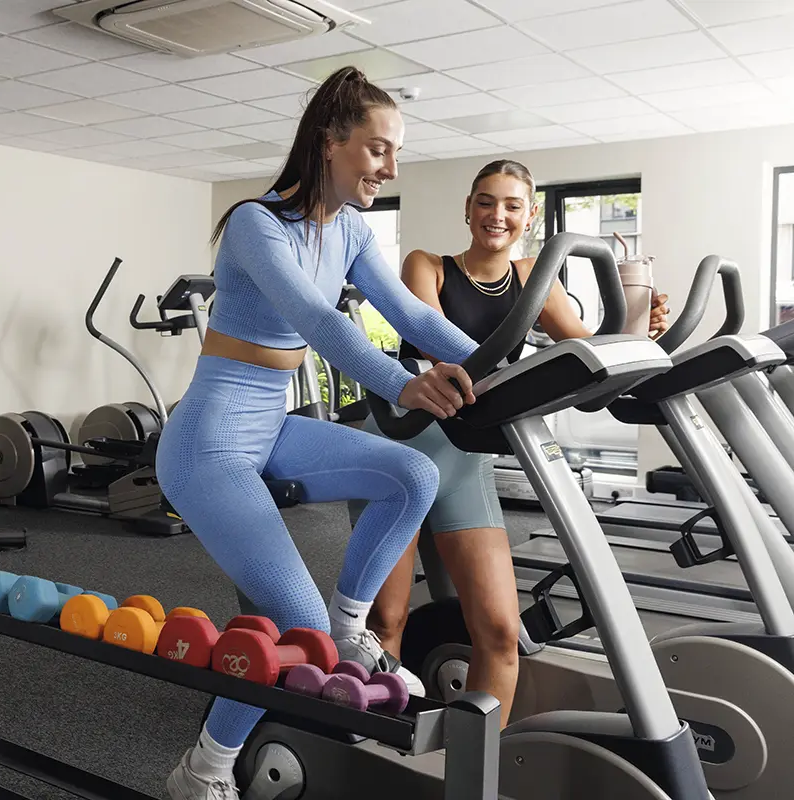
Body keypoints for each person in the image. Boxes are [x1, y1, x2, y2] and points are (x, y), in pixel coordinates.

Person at [155, 66, 483, 800]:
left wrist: (517, 367)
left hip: (271, 423)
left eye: (394, 152)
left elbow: (417, 319)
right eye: (377, 150)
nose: (390, 168)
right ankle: (201, 771)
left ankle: (351, 623)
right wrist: (404, 383)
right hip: (207, 442)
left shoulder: (355, 230)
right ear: (329, 144)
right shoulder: (254, 223)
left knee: (413, 477)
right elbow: (320, 322)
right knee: (290, 628)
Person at [347, 158, 671, 726]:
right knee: (386, 622)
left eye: (512, 205)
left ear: (530, 216)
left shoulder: (534, 280)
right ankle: (373, 748)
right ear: (468, 209)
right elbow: (431, 341)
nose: (497, 215)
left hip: (465, 456)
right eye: (485, 202)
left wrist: (640, 322)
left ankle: (475, 767)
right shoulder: (427, 265)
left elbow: (592, 351)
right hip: (401, 450)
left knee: (499, 630)